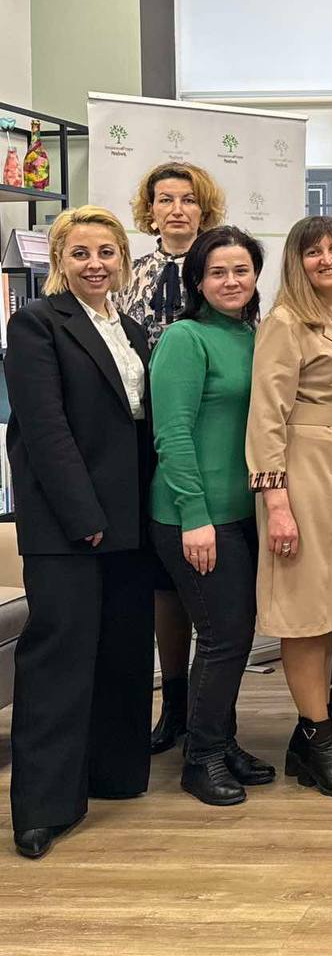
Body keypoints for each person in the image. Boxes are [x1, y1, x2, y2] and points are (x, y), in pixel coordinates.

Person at [6, 206, 154, 858]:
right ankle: (43, 808)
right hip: (69, 522)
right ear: (60, 261)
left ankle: (114, 774)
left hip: (130, 517)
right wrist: (83, 515)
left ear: (123, 259)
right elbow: (44, 429)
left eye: (106, 252)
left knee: (122, 650)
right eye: (81, 253)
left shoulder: (133, 328)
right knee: (59, 660)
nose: (95, 264)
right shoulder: (37, 323)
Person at [246, 216, 332, 797]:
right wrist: (276, 501)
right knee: (304, 613)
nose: (327, 259)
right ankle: (318, 739)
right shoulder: (285, 322)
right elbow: (266, 416)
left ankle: (312, 736)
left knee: (328, 614)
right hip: (305, 474)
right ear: (295, 262)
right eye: (313, 252)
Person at [150, 226, 274, 806]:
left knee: (234, 636)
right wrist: (194, 515)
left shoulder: (252, 336)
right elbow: (171, 433)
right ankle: (200, 758)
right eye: (217, 272)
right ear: (197, 281)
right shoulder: (185, 337)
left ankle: (221, 742)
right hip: (193, 515)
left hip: (242, 512)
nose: (230, 281)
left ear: (256, 276)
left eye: (241, 270)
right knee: (224, 637)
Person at [118, 161, 227, 757]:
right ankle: (175, 703)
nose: (176, 209)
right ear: (150, 209)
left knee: (208, 578)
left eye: (187, 199)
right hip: (143, 429)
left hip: (207, 430)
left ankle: (214, 710)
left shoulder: (219, 266)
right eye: (165, 200)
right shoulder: (129, 274)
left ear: (202, 208)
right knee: (162, 579)